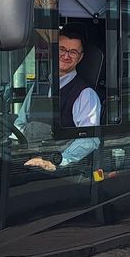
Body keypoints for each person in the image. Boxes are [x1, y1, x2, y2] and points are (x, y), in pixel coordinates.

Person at [23, 25, 101, 172]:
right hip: (29, 162)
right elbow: (21, 124)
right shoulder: (38, 87)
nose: (66, 56)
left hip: (60, 171)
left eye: (73, 52)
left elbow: (90, 139)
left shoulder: (85, 94)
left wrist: (59, 161)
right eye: (62, 49)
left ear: (80, 57)